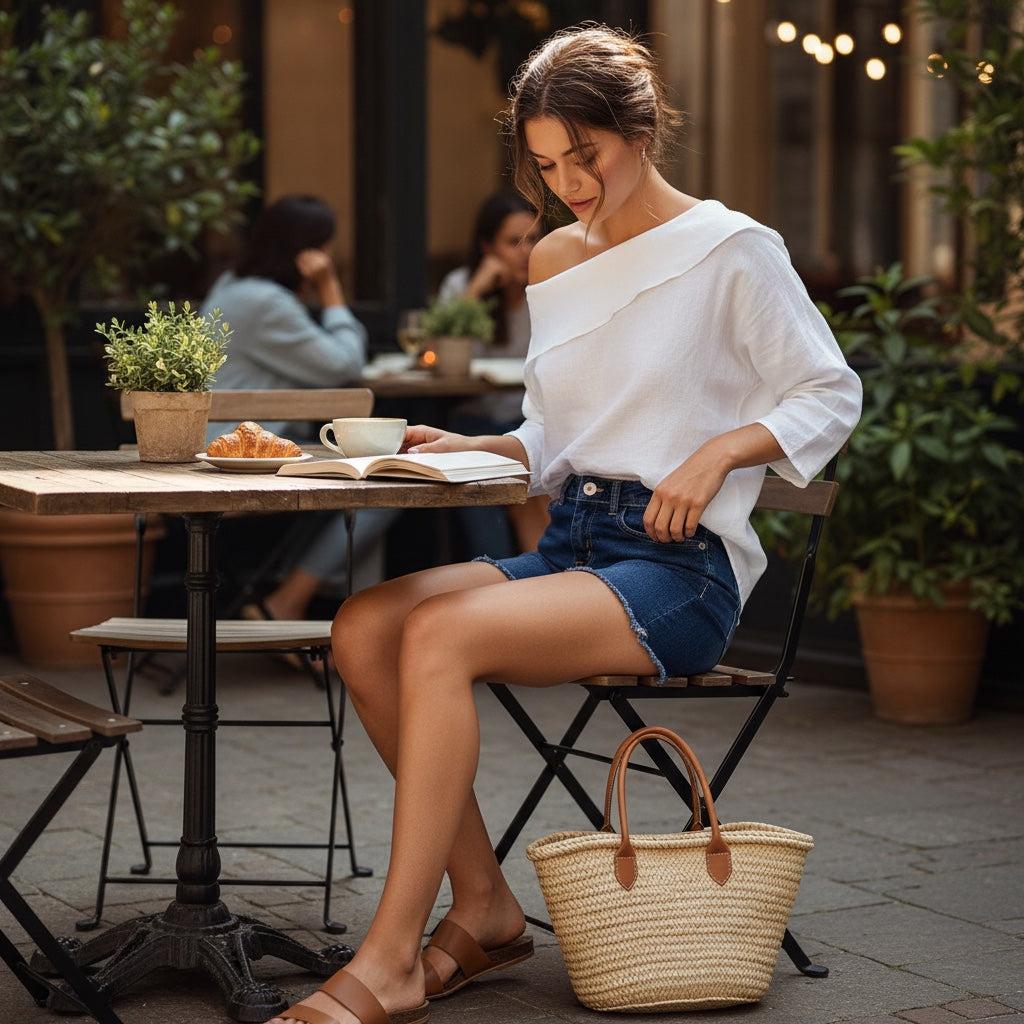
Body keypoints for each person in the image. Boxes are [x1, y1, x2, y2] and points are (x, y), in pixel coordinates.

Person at [267, 24, 861, 1024]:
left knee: (440, 634)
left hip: (676, 570)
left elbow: (827, 392)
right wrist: (468, 446)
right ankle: (489, 906)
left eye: (583, 157)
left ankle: (390, 958)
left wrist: (718, 451)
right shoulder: (550, 258)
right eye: (545, 165)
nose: (568, 183)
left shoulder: (729, 250)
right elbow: (556, 437)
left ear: (641, 127)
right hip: (571, 544)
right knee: (363, 627)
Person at [201, 194, 396, 626]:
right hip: (236, 461)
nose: (327, 258)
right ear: (305, 251)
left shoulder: (236, 286)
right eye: (324, 247)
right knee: (386, 486)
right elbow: (346, 366)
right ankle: (289, 604)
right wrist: (331, 289)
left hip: (223, 449)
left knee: (361, 476)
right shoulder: (265, 303)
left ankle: (308, 606)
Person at [437, 189, 551, 557]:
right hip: (477, 419)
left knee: (538, 495)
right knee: (487, 497)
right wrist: (476, 291)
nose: (526, 251)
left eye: (533, 239)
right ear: (487, 247)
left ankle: (542, 589)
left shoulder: (551, 288)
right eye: (513, 242)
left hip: (532, 421)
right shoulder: (460, 284)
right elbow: (443, 359)